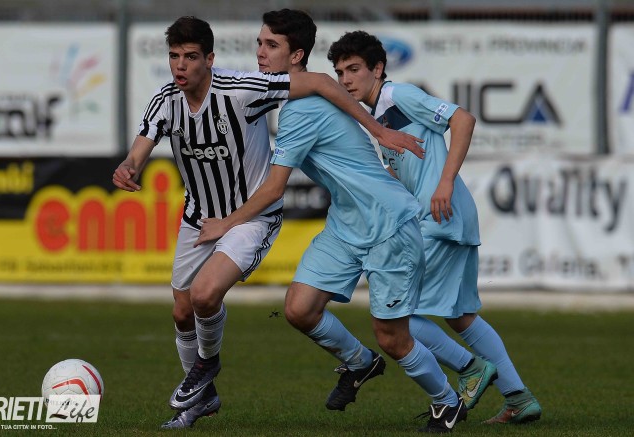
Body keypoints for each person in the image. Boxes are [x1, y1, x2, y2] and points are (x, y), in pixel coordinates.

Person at [112, 16, 422, 430]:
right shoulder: (165, 101)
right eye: (174, 56)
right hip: (198, 218)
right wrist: (128, 167)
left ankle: (206, 367)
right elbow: (139, 150)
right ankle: (204, 396)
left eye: (190, 57)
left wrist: (378, 130)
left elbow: (320, 82)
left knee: (205, 295)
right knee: (183, 312)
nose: (180, 66)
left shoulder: (242, 89)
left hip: (249, 217)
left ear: (209, 59)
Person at [196, 9, 468, 433]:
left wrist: (225, 223)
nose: (260, 52)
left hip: (388, 224)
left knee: (393, 337)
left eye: (272, 45)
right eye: (260, 43)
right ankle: (359, 362)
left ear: (296, 55)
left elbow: (274, 188)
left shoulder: (301, 110)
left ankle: (447, 401)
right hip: (347, 224)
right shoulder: (300, 98)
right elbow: (320, 85)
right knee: (299, 308)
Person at [327, 30, 542, 425]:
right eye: (340, 72)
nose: (346, 79)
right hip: (449, 216)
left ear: (378, 68)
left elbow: (463, 119)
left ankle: (471, 370)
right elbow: (405, 169)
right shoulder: (376, 116)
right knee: (462, 317)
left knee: (396, 317)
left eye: (354, 69)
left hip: (440, 216)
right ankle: (519, 399)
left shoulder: (399, 95)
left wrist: (444, 181)